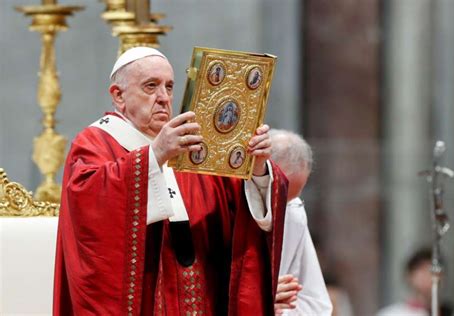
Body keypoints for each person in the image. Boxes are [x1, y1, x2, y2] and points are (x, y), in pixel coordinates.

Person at [53, 47, 289, 315]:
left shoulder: (193, 146)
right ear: (118, 95)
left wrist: (256, 168)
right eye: (150, 87)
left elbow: (238, 217)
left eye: (169, 86)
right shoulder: (95, 142)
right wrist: (154, 156)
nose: (164, 98)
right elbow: (88, 210)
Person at [270, 129, 333, 315]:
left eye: (289, 200)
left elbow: (317, 305)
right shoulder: (225, 204)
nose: (282, 209)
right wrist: (258, 299)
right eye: (279, 198)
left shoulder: (294, 212)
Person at [377, 247, 454, 316]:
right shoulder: (391, 314)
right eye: (422, 270)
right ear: (409, 276)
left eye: (433, 271)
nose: (429, 276)